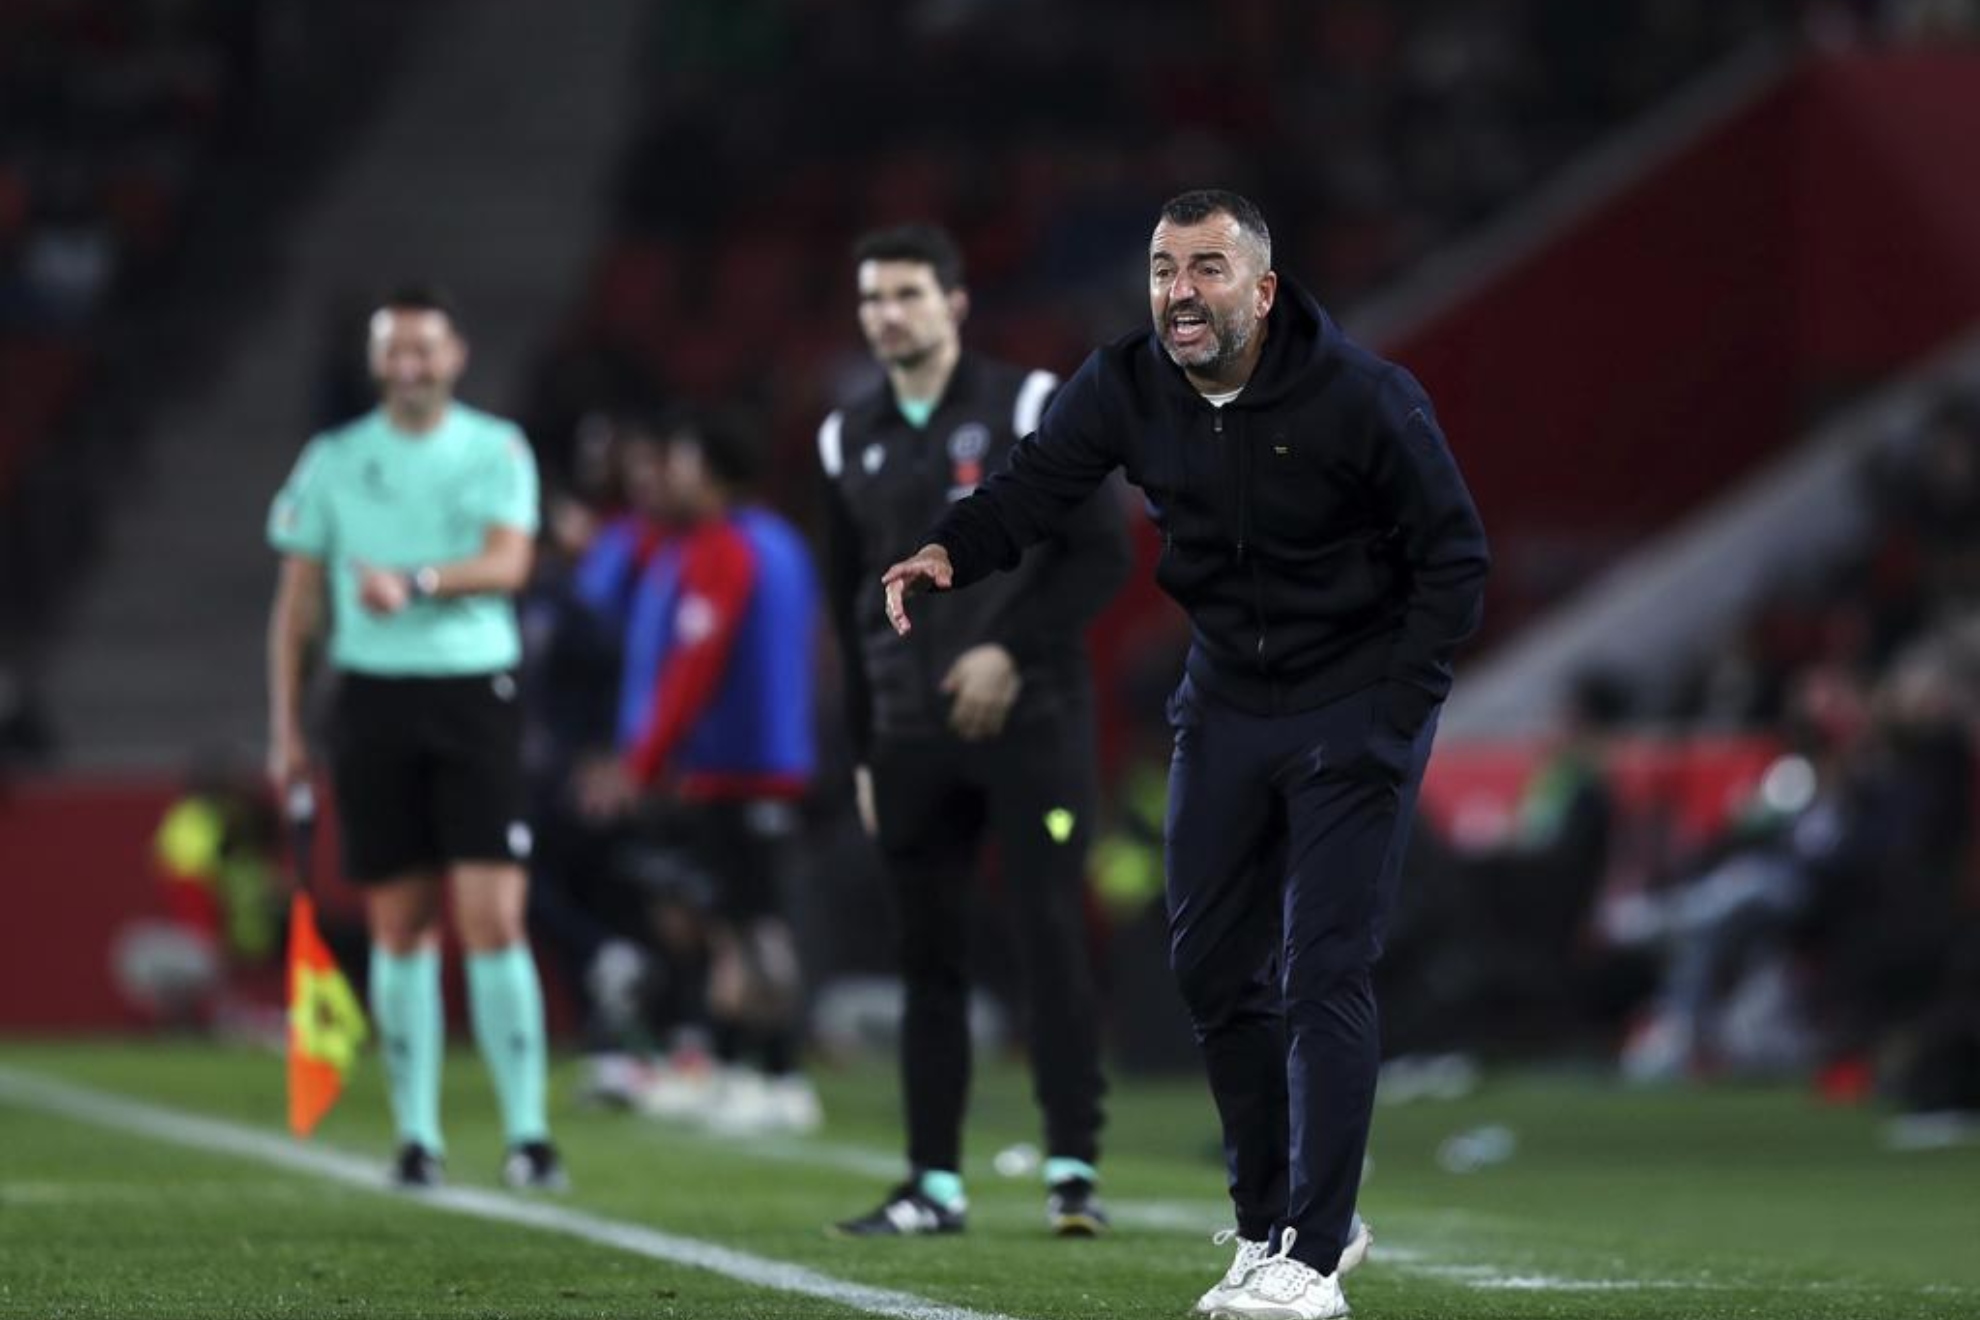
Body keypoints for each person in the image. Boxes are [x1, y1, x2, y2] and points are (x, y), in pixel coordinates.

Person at [881, 191, 1490, 1318]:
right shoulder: (1123, 384)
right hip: (1225, 699)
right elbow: (1033, 489)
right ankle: (1275, 1227)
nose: (1179, 292)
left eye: (1207, 268)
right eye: (1165, 269)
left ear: (1261, 290)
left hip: (1352, 703)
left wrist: (1398, 712)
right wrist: (946, 556)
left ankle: (1311, 1262)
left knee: (1326, 969)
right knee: (1212, 968)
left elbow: (1455, 559)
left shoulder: (1362, 394)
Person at [820, 224, 1132, 1238]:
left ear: (954, 303)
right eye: (872, 298)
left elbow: (1097, 558)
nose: (887, 314)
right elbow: (849, 607)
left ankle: (1073, 1170)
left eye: (906, 293)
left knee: (1049, 940)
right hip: (911, 737)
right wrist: (865, 747)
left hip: (1031, 722)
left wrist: (1012, 653)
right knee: (928, 957)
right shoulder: (844, 436)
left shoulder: (1032, 408)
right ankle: (932, 1185)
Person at [266, 285, 564, 1191]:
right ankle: (418, 1137)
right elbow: (299, 605)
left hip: (476, 691)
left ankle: (528, 1134)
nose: (408, 366)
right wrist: (284, 726)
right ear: (375, 361)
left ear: (455, 354)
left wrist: (419, 580)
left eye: (423, 349)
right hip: (374, 701)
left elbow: (512, 561)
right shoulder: (334, 459)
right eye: (393, 350)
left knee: (494, 918)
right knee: (400, 927)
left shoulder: (496, 448)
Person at [576, 412, 824, 1133]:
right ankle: (733, 1064)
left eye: (680, 463)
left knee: (752, 927)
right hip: (763, 761)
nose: (667, 477)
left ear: (714, 473)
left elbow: (693, 667)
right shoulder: (777, 542)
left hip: (740, 768)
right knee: (734, 925)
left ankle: (774, 1072)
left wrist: (643, 763)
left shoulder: (725, 549)